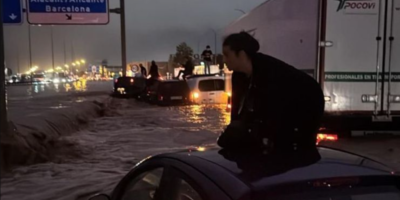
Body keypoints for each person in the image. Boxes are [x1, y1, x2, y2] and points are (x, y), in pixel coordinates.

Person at [217, 32, 325, 153]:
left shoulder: (270, 73)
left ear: (241, 54)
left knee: (285, 147)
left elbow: (271, 115)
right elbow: (237, 113)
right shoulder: (238, 76)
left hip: (308, 104)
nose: (224, 60)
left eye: (227, 55)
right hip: (283, 108)